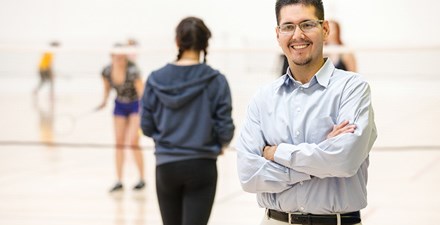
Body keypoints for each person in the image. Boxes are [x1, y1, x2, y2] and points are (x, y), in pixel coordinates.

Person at [235, 1, 377, 225]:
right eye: (288, 26)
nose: (297, 35)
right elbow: (249, 175)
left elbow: (344, 161)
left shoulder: (352, 88)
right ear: (278, 33)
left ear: (325, 29)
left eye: (307, 24)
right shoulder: (263, 98)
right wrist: (319, 158)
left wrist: (277, 153)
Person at [140, 16, 235, 225]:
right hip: (202, 166)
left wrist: (164, 140)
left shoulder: (155, 79)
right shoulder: (216, 80)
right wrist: (221, 143)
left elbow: (146, 125)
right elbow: (225, 127)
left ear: (177, 42)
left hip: (166, 167)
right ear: (205, 44)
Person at [98, 44, 146, 192]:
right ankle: (119, 180)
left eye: (122, 57)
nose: (120, 59)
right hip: (119, 105)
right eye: (117, 56)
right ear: (112, 56)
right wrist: (104, 101)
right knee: (119, 143)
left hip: (135, 105)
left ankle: (141, 179)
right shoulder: (106, 71)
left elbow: (141, 93)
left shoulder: (133, 70)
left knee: (133, 141)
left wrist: (144, 111)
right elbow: (106, 89)